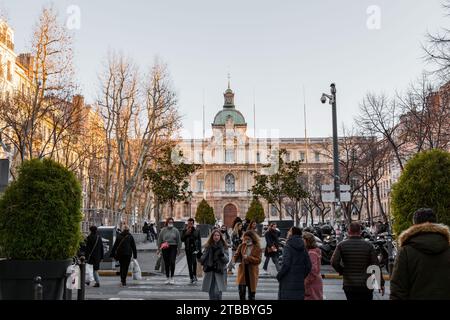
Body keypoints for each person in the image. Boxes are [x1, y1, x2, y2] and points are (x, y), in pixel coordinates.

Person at [390, 208, 450, 300]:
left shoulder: (406, 251)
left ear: (414, 225)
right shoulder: (447, 247)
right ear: (435, 223)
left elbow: (398, 289)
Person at [331, 222, 385, 300]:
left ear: (348, 232)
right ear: (360, 232)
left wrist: (342, 271)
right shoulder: (369, 245)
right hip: (366, 284)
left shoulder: (341, 245)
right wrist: (380, 283)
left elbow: (334, 262)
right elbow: (375, 265)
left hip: (349, 284)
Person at [276, 227, 311, 300]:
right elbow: (308, 265)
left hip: (287, 281)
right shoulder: (303, 246)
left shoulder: (288, 246)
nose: (287, 232)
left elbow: (286, 264)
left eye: (289, 231)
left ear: (292, 233)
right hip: (299, 281)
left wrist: (279, 275)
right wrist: (301, 275)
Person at [200, 229, 229, 300]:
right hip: (210, 271)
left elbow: (227, 260)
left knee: (218, 291)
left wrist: (222, 255)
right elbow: (202, 259)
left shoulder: (224, 246)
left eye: (218, 235)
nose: (216, 237)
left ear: (220, 236)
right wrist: (199, 256)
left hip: (220, 271)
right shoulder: (208, 246)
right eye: (215, 235)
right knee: (211, 291)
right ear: (212, 236)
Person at [233, 230, 262, 300]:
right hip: (243, 271)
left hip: (252, 272)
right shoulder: (242, 246)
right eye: (245, 239)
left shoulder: (257, 247)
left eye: (248, 239)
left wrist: (248, 258)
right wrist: (233, 261)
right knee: (241, 293)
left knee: (251, 294)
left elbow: (258, 260)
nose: (246, 240)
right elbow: (236, 255)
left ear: (252, 238)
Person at [157, 217, 182, 284]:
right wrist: (158, 249)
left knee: (172, 261)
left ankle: (172, 277)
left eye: (172, 222)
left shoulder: (176, 230)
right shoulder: (163, 230)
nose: (170, 223)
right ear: (167, 223)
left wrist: (179, 249)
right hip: (165, 247)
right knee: (166, 263)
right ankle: (167, 277)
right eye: (169, 222)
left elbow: (179, 240)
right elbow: (160, 240)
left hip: (173, 247)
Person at [303, 231, 323, 300]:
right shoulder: (314, 251)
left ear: (307, 241)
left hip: (312, 284)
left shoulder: (312, 253)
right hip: (314, 282)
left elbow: (313, 270)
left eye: (303, 240)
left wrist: (306, 282)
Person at [181, 218, 202, 284]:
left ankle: (194, 275)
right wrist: (186, 233)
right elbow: (182, 239)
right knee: (189, 263)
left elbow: (199, 240)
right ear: (187, 223)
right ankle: (191, 277)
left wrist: (199, 250)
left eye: (191, 223)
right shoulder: (184, 230)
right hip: (188, 249)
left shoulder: (196, 230)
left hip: (194, 248)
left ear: (193, 223)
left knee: (194, 262)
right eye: (189, 223)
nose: (190, 224)